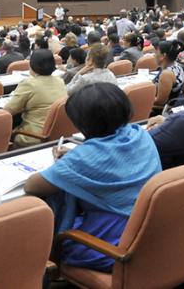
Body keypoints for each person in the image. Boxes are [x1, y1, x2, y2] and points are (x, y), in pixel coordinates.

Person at [24, 83, 161, 272]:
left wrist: (71, 161)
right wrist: (77, 156)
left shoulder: (83, 158)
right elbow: (108, 156)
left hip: (112, 247)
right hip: (150, 233)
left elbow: (32, 186)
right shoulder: (139, 135)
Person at [5, 49, 67, 147]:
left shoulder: (29, 84)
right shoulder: (60, 81)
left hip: (33, 137)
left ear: (32, 65)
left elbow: (7, 111)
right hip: (56, 135)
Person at [152, 40, 184, 110]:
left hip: (161, 110)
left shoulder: (166, 74)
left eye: (156, 52)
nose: (154, 55)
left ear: (163, 56)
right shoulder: (178, 65)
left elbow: (160, 102)